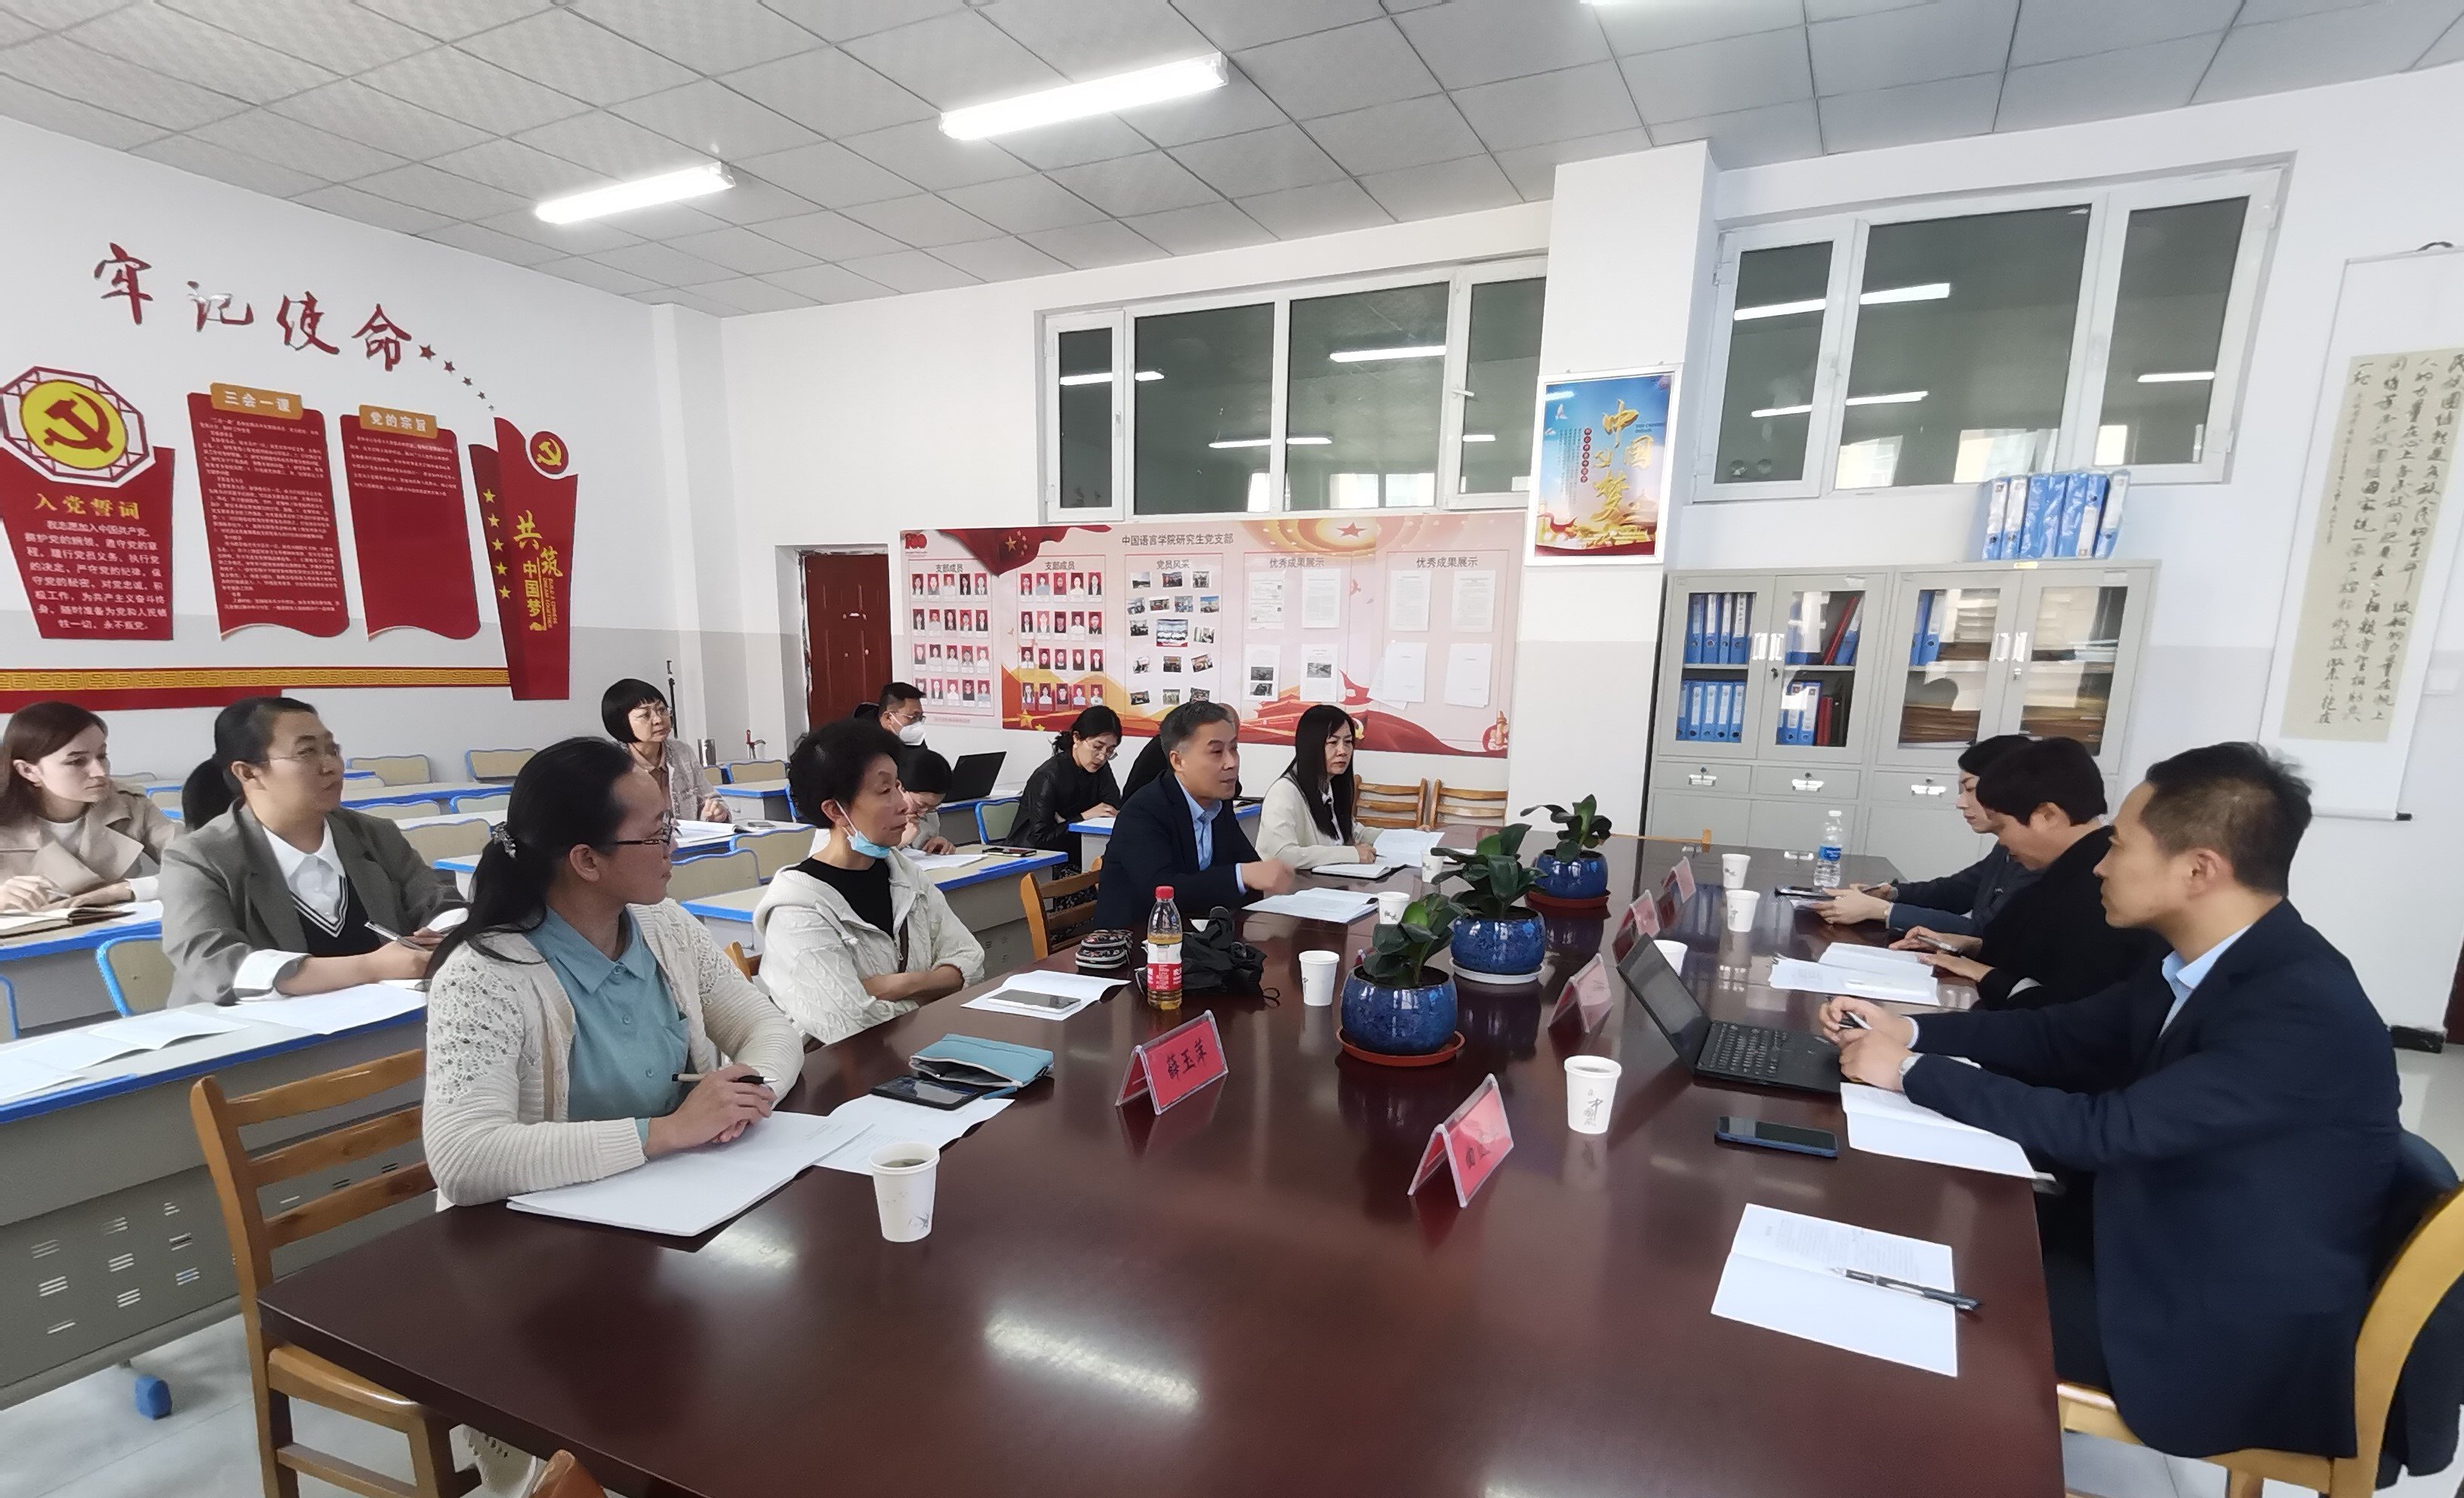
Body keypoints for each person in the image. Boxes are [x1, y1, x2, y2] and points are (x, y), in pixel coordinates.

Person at [1822, 743, 2399, 1462]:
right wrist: (1907, 1030)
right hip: (2145, 1233)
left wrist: (1912, 1073)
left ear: (2198, 870)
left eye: (2120, 846)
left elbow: (2108, 1131)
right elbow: (2061, 1034)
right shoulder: (2205, 961)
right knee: (1898, 1220)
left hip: (2211, 1317)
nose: (2098, 865)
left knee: (1889, 1304)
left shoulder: (2299, 1005)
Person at [161, 698, 460, 1006]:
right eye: (307, 752)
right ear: (248, 773)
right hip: (252, 1029)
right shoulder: (198, 858)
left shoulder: (374, 835)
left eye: (332, 750)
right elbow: (214, 962)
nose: (332, 766)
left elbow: (440, 901)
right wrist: (370, 967)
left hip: (378, 1018)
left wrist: (444, 936)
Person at [753, 719, 984, 1045]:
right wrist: (934, 989)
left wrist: (895, 985)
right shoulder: (797, 909)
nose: (903, 804)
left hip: (916, 1053)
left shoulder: (904, 875)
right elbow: (851, 1025)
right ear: (835, 811)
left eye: (899, 786)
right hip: (835, 1071)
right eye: (885, 791)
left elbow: (970, 961)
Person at [1899, 735, 2163, 1009]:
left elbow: (2066, 1003)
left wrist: (1987, 974)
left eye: (2002, 827)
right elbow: (2017, 948)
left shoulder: (2097, 886)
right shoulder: (2059, 866)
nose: (2002, 843)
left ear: (2047, 816)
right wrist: (1969, 946)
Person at [1092, 701, 1293, 929]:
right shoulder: (1143, 811)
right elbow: (1162, 890)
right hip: (1135, 940)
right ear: (1178, 761)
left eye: (1234, 748)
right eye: (1216, 752)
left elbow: (1250, 868)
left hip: (1196, 936)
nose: (1232, 763)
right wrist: (1242, 876)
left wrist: (1261, 875)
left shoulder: (1219, 804)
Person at [1814, 733, 2035, 933]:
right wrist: (1890, 894)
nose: (1960, 803)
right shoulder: (2006, 847)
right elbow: (1957, 891)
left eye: (1969, 790)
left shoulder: (2037, 857)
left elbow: (1985, 932)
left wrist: (1882, 911)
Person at [0, 701, 179, 911]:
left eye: (102, 756)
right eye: (76, 761)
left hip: (122, 927)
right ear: (28, 771)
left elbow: (199, 864)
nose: (99, 772)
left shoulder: (129, 805)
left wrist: (123, 891)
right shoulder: (5, 822)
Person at [1257, 704, 1379, 870]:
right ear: (1311, 746)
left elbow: (1356, 833)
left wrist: (1408, 840)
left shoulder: (1330, 785)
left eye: (1348, 742)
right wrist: (1351, 854)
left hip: (1328, 882)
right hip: (1295, 884)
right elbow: (1282, 856)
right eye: (1333, 742)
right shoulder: (1284, 793)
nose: (1343, 751)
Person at [602, 677, 727, 824]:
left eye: (662, 710)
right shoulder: (611, 762)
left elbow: (710, 798)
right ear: (622, 722)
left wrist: (717, 812)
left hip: (688, 838)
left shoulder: (682, 752)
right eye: (645, 715)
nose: (658, 720)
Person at [1013, 705, 1121, 856]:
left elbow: (1111, 809)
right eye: (1097, 747)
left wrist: (1066, 821)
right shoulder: (1048, 776)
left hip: (1078, 850)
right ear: (1076, 738)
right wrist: (1083, 817)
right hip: (1034, 856)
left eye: (1110, 750)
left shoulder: (1101, 768)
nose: (1102, 757)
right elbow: (1041, 839)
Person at [897, 748, 959, 854]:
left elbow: (920, 851)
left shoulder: (929, 816)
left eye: (933, 808)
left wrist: (934, 845)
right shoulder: (874, 818)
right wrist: (900, 843)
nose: (922, 814)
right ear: (899, 787)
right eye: (920, 806)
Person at [854, 682, 929, 751]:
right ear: (888, 718)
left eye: (920, 718)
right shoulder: (858, 745)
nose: (917, 724)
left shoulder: (913, 740)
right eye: (913, 717)